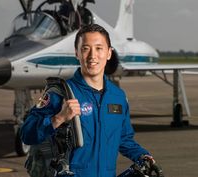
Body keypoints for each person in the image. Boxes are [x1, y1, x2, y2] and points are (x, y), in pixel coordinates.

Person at [21, 24, 161, 177]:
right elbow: (27, 134)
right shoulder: (60, 93)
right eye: (85, 48)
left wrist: (142, 155)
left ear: (109, 53)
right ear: (77, 53)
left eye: (99, 48)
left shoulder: (118, 97)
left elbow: (123, 139)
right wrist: (59, 118)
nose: (92, 56)